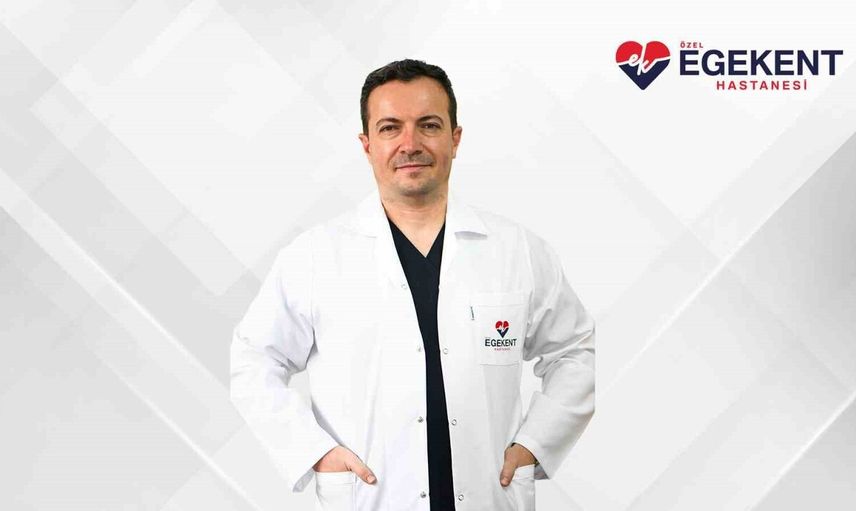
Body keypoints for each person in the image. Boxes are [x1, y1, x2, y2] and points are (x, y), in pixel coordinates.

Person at [230, 59, 596, 510]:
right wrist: (314, 452)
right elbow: (254, 360)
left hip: (489, 495)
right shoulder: (314, 257)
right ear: (367, 145)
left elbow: (574, 351)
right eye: (390, 128)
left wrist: (535, 444)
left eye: (429, 125)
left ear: (455, 138)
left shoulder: (516, 249)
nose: (410, 144)